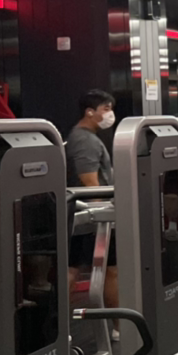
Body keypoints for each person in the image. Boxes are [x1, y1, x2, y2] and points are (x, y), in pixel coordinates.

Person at [65, 89, 119, 322]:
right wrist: (104, 215)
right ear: (89, 112)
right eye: (106, 109)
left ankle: (58, 325)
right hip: (92, 218)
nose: (110, 114)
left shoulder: (86, 137)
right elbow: (90, 183)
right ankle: (119, 328)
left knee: (73, 269)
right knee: (111, 271)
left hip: (87, 216)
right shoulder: (85, 141)